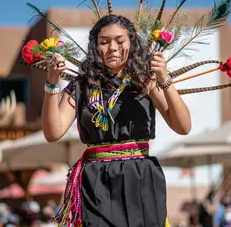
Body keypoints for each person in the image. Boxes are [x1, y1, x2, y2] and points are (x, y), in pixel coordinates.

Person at [42, 13, 191, 226]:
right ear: (95, 47)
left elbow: (183, 127)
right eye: (104, 42)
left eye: (120, 41)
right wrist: (52, 83)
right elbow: (52, 132)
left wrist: (164, 79)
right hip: (97, 181)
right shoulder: (80, 86)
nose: (112, 47)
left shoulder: (145, 81)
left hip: (140, 177)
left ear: (132, 43)